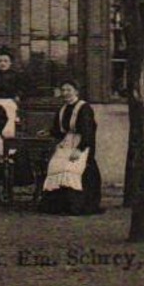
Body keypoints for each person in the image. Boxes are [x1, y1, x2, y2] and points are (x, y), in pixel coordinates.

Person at [39, 79, 103, 215]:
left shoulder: (84, 108)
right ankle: (58, 206)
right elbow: (59, 130)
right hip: (67, 142)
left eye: (69, 90)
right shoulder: (62, 109)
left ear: (76, 92)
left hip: (82, 143)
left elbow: (88, 131)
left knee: (70, 168)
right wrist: (49, 131)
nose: (65, 93)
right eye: (63, 90)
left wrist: (80, 150)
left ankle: (76, 206)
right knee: (54, 166)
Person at [0, 47, 22, 140]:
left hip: (9, 102)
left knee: (8, 125)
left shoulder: (16, 75)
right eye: (0, 61)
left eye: (6, 61)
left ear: (10, 63)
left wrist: (17, 96)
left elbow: (20, 89)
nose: (3, 63)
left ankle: (8, 149)